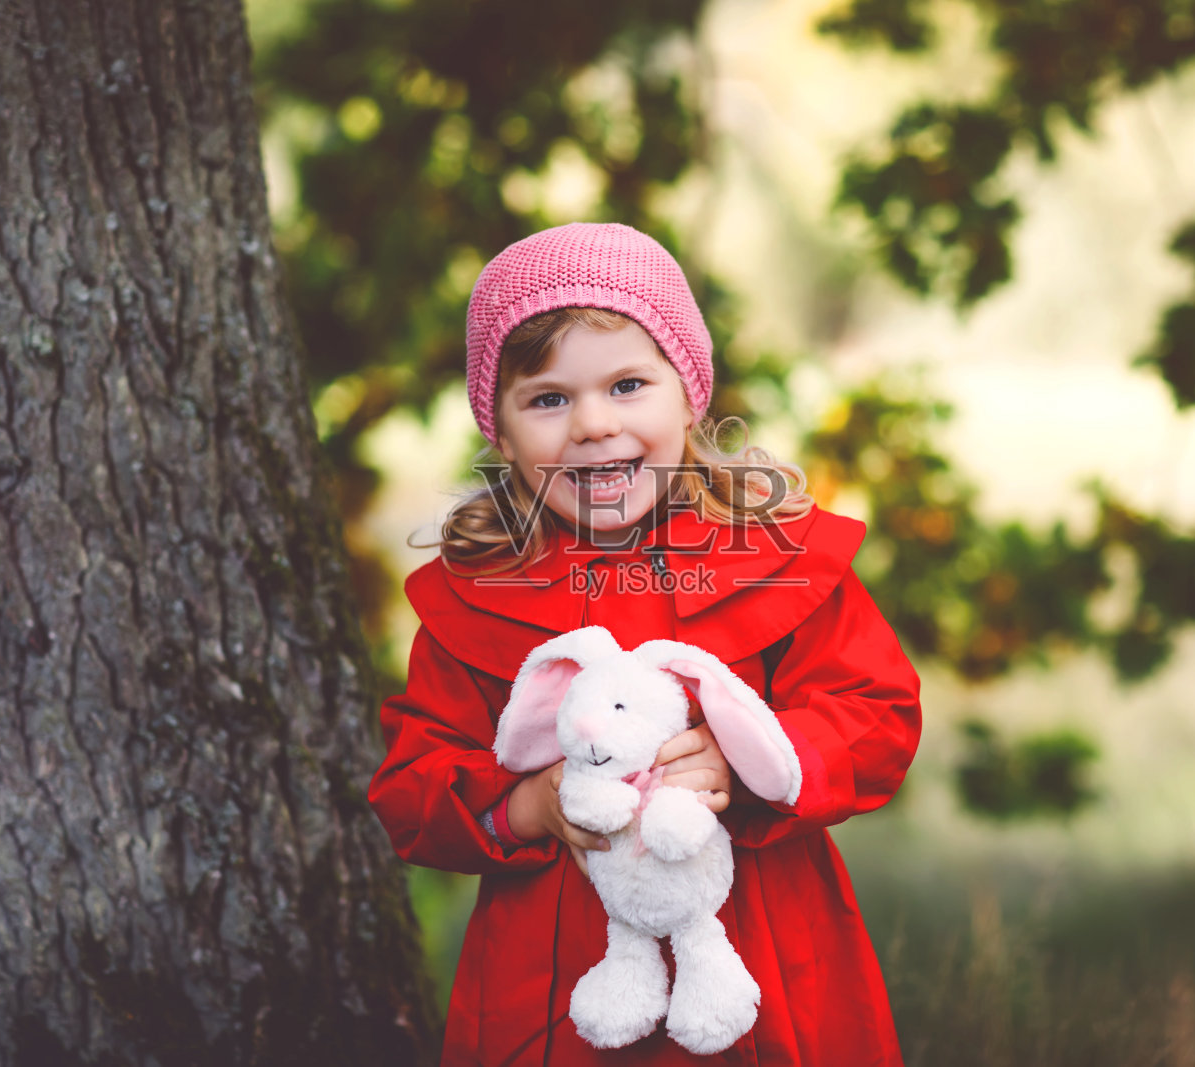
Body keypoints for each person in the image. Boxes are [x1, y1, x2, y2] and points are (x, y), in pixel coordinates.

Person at [367, 222, 922, 1066]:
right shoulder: (480, 594)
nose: (592, 424)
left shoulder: (775, 558)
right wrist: (528, 804)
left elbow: (876, 714)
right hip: (556, 965)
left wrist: (747, 760)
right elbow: (412, 780)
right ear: (503, 434)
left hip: (758, 939)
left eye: (628, 384)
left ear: (687, 392)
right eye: (548, 398)